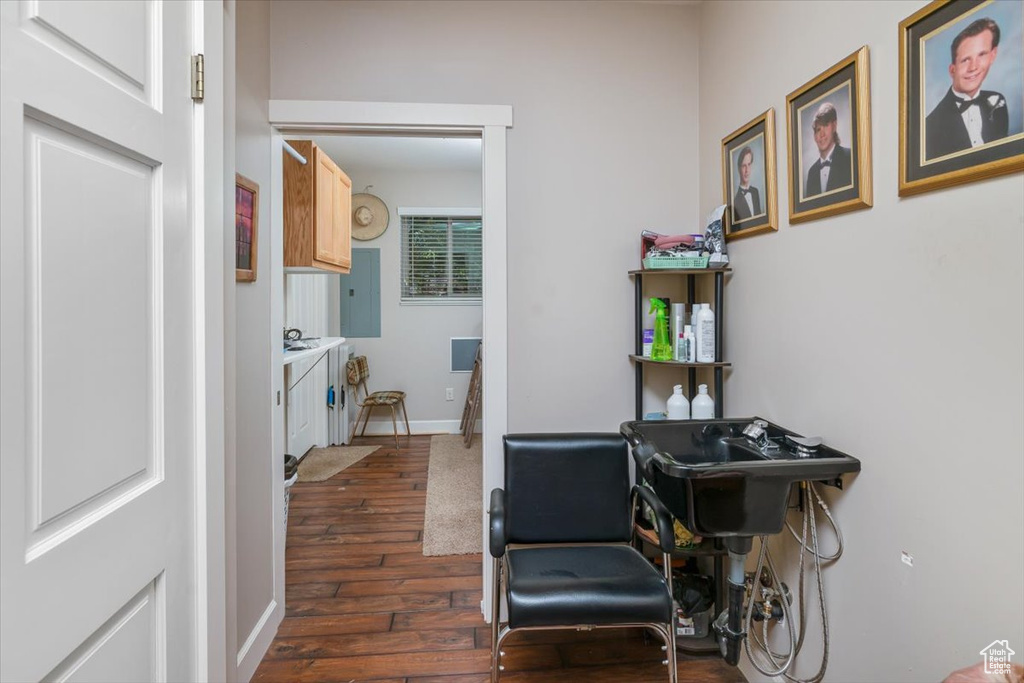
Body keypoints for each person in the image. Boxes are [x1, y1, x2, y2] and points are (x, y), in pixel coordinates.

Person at [926, 17, 1008, 160]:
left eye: (981, 54)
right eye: (965, 60)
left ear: (992, 55)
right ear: (952, 70)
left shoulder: (998, 102)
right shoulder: (931, 125)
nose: (974, 67)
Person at [804, 102, 852, 198]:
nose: (822, 134)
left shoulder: (850, 158)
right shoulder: (812, 172)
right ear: (814, 137)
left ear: (834, 126)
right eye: (818, 130)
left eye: (825, 125)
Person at [732, 145, 761, 225]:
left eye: (749, 164)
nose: (747, 170)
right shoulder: (735, 201)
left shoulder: (755, 192)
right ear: (738, 168)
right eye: (744, 166)